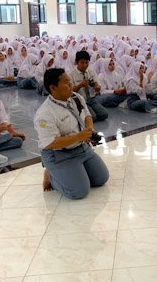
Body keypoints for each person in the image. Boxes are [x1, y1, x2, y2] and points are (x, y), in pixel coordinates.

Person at [34, 68, 109, 200]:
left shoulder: (76, 97)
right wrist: (80, 136)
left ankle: (74, 172)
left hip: (80, 147)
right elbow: (51, 143)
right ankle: (51, 175)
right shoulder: (45, 114)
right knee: (79, 191)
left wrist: (89, 131)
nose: (71, 85)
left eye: (70, 81)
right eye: (66, 82)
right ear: (53, 87)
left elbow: (87, 116)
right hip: (59, 154)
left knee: (101, 179)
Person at [68, 51, 108, 121]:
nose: (85, 65)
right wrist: (80, 85)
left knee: (104, 114)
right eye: (82, 62)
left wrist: (97, 87)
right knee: (93, 118)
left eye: (87, 62)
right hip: (80, 100)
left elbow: (98, 87)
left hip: (92, 99)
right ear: (76, 62)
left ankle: (86, 113)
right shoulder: (71, 75)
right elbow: (70, 91)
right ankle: (81, 112)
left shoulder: (91, 72)